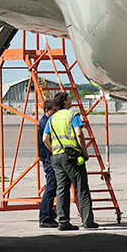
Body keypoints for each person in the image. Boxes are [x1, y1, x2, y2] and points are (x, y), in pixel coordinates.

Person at [42, 91, 98, 231]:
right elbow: (79, 133)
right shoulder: (73, 115)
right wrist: (84, 152)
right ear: (65, 102)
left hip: (56, 157)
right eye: (69, 98)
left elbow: (44, 139)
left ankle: (63, 221)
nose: (71, 99)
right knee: (81, 188)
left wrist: (53, 151)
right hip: (71, 156)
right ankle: (87, 221)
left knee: (62, 189)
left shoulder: (52, 118)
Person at [37, 99, 58, 227]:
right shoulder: (45, 123)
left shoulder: (46, 121)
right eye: (53, 110)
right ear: (47, 111)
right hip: (48, 158)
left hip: (47, 157)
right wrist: (53, 151)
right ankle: (45, 217)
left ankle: (48, 213)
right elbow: (45, 140)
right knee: (51, 186)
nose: (56, 112)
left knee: (52, 186)